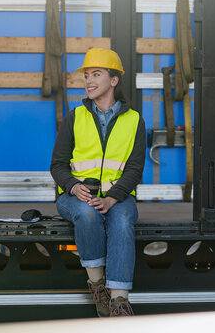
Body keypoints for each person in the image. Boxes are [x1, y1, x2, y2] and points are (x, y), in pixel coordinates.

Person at [50, 48, 146, 317]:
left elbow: (135, 168)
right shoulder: (75, 117)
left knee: (122, 220)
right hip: (75, 197)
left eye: (96, 74)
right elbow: (57, 165)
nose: (89, 81)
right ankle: (97, 285)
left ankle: (119, 301)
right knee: (87, 213)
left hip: (119, 196)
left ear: (114, 80)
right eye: (86, 75)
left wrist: (113, 197)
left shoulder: (134, 121)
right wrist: (72, 186)